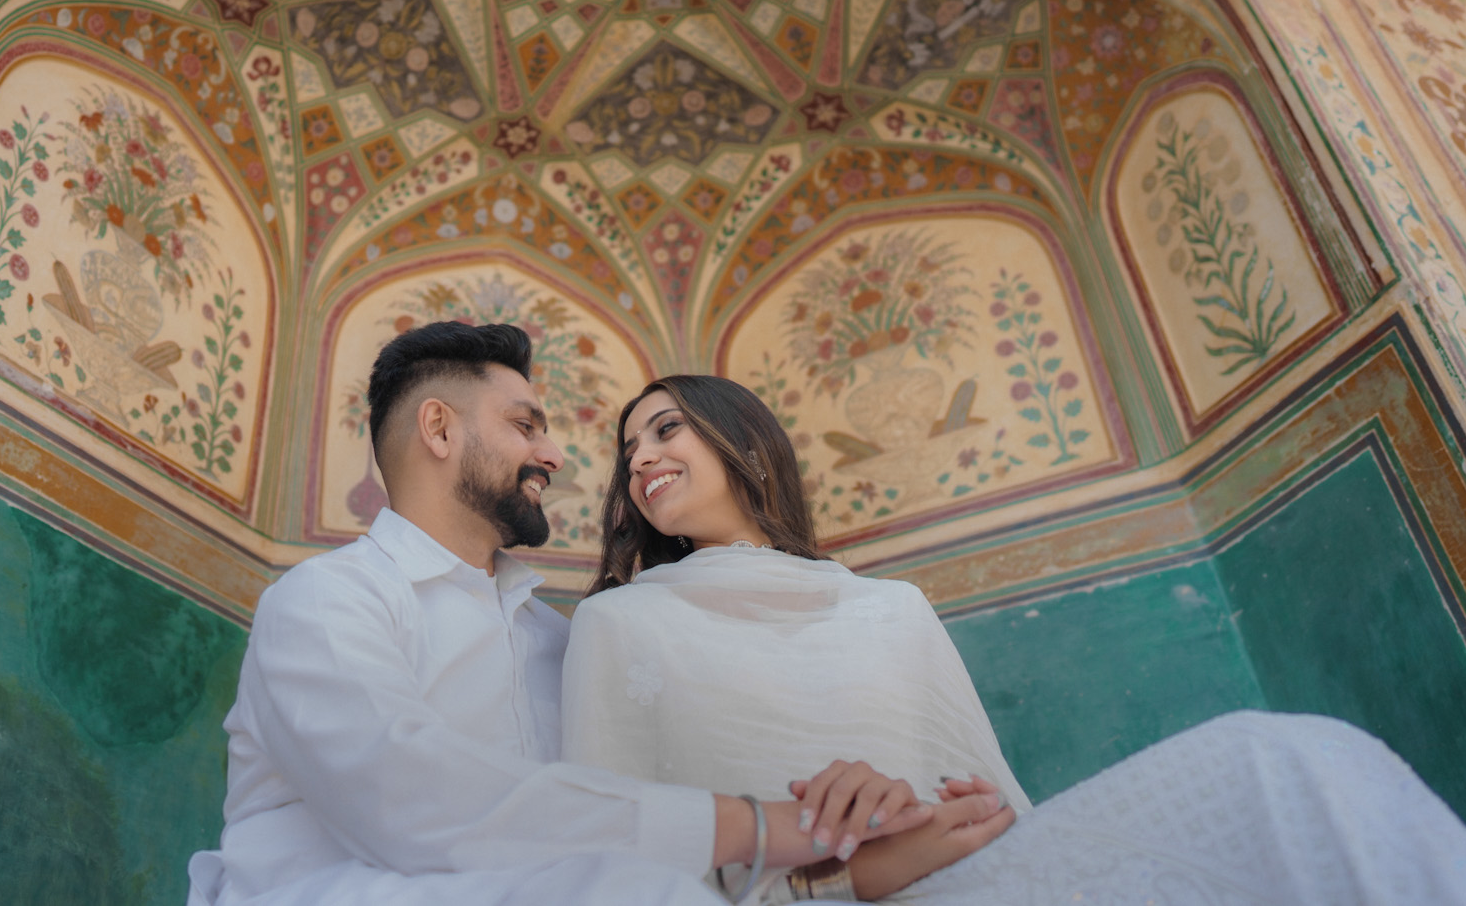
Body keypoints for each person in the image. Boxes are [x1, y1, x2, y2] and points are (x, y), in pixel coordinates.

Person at [563, 374, 1466, 904]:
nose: (640, 457)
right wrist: (837, 877)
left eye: (664, 429)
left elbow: (994, 807)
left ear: (743, 442)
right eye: (627, 448)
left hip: (976, 885)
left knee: (1288, 759)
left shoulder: (887, 608)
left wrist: (938, 819)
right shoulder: (617, 623)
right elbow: (602, 868)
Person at [186, 324, 1004, 906]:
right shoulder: (328, 600)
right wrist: (763, 824)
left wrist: (849, 838)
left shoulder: (566, 643)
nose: (555, 454)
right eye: (525, 425)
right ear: (438, 427)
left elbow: (648, 840)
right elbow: (409, 798)